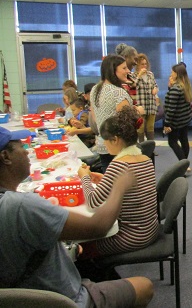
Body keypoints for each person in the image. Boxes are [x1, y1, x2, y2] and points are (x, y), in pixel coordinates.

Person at [0, 126, 154, 307]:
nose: (27, 153)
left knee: (82, 252)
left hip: (19, 296)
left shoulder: (16, 206)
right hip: (63, 299)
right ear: (5, 157)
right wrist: (119, 187)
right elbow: (99, 226)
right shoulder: (21, 206)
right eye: (21, 147)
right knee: (145, 286)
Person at [78, 106, 158, 259]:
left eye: (105, 140)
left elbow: (92, 202)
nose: (104, 145)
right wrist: (106, 179)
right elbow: (134, 188)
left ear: (115, 140)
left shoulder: (119, 164)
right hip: (149, 230)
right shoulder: (145, 159)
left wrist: (84, 177)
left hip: (130, 237)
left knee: (79, 249)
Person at [90, 55, 133, 172]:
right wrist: (137, 111)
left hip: (103, 143)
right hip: (119, 147)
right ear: (113, 70)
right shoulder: (118, 93)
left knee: (108, 181)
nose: (128, 71)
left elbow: (94, 117)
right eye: (124, 68)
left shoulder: (95, 90)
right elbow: (126, 124)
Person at [163, 63, 192, 168]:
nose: (170, 74)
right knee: (184, 140)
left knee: (172, 142)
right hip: (185, 120)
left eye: (172, 72)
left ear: (177, 74)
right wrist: (169, 87)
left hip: (176, 121)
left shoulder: (176, 88)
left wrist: (167, 123)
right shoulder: (185, 86)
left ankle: (183, 164)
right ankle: (184, 163)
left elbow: (171, 108)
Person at [133, 53, 159, 142]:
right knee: (140, 127)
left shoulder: (150, 74)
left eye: (145, 64)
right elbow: (133, 86)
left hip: (151, 105)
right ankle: (141, 146)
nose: (144, 66)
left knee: (150, 127)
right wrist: (139, 76)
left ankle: (150, 147)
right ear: (137, 65)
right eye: (142, 64)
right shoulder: (133, 75)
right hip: (140, 105)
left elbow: (155, 85)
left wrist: (155, 89)